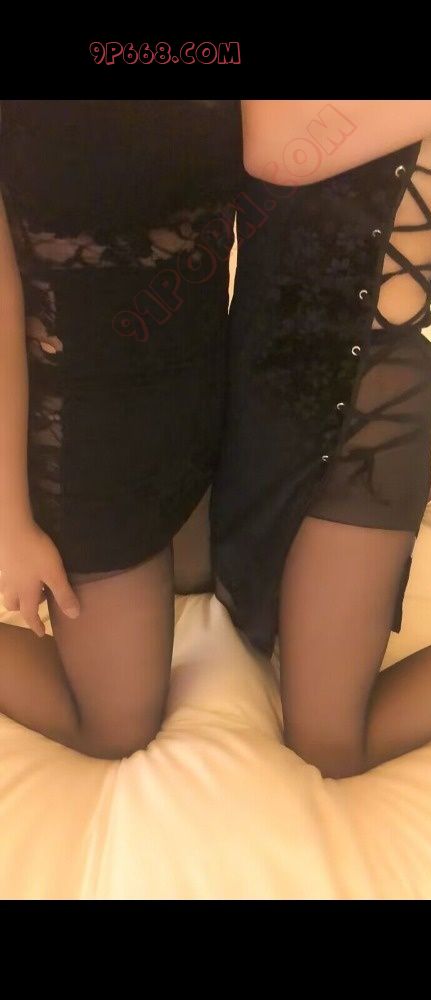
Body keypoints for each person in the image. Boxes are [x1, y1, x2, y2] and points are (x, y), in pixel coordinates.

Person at [211, 100, 431, 779]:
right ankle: (410, 491)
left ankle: (399, 490)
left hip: (368, 418)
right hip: (248, 390)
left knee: (328, 745)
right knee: (196, 584)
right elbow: (273, 147)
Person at [0, 99, 243, 759]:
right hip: (87, 437)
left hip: (205, 400)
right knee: (115, 726)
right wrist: (12, 521)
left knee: (239, 578)